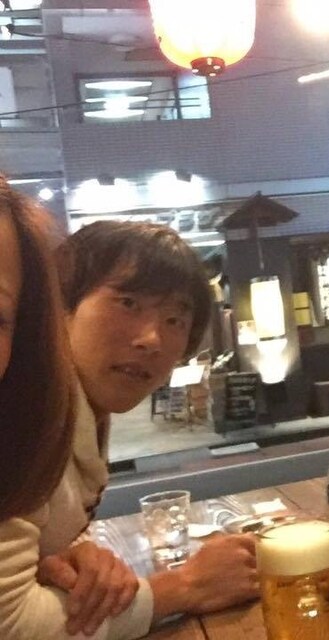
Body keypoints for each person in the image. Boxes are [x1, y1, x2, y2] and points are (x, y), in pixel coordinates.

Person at [1, 219, 258, 639]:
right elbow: (10, 623)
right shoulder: (18, 420)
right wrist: (184, 587)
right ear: (59, 308)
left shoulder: (78, 416)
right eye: (128, 303)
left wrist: (70, 553)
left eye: (174, 320)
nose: (152, 339)